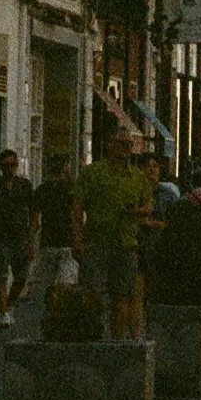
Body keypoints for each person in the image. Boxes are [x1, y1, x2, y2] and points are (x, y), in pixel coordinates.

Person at [78, 128, 152, 339]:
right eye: (122, 144)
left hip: (126, 243)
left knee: (122, 296)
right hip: (97, 240)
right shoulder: (92, 173)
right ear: (110, 146)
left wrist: (137, 212)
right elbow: (77, 205)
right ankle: (91, 335)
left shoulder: (137, 177)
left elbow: (148, 206)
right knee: (93, 294)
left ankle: (117, 342)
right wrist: (76, 238)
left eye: (130, 145)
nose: (127, 150)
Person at [0, 149, 38, 331]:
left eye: (12, 165)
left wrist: (31, 236)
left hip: (20, 236)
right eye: (5, 166)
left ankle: (10, 303)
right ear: (0, 167)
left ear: (17, 165)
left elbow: (33, 212)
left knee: (21, 277)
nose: (9, 169)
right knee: (1, 275)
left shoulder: (25, 186)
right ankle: (4, 311)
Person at [35, 152, 80, 294]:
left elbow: (34, 219)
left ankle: (49, 312)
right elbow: (77, 215)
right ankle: (59, 313)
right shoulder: (72, 189)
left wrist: (31, 241)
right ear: (65, 168)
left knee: (47, 287)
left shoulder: (42, 190)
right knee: (64, 288)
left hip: (48, 242)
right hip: (68, 242)